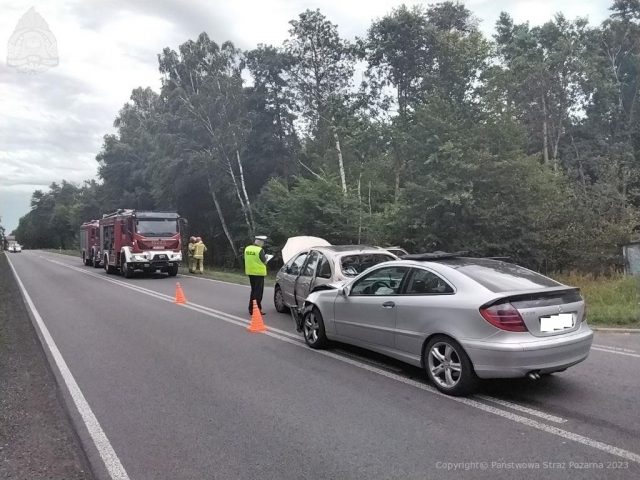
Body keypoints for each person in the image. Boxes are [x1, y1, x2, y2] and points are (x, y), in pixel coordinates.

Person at [244, 235, 268, 315]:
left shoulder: (247, 248)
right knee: (258, 293)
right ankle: (257, 309)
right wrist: (266, 257)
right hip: (259, 273)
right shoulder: (260, 250)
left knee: (253, 291)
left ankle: (251, 309)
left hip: (250, 272)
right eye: (263, 242)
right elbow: (264, 262)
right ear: (260, 242)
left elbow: (246, 258)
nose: (263, 244)